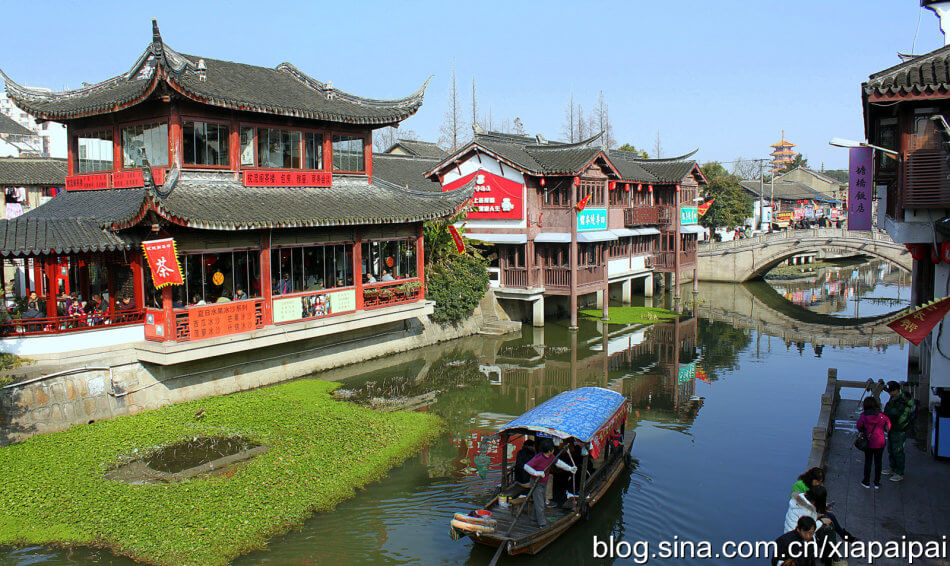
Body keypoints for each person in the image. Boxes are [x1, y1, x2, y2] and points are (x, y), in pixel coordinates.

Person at [523, 438, 576, 527]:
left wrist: (570, 468)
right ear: (550, 450)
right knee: (540, 504)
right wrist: (536, 473)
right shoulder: (538, 457)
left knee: (540, 500)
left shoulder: (551, 457)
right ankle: (542, 524)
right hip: (536, 483)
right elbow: (526, 466)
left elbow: (558, 463)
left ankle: (533, 518)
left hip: (544, 482)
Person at [883, 380, 914, 482]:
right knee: (891, 449)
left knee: (898, 450)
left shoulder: (903, 400)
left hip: (899, 428)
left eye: (891, 391)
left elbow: (895, 414)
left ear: (897, 390)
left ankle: (899, 472)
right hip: (892, 427)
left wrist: (886, 414)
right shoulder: (895, 398)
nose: (889, 393)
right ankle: (893, 468)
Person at [856, 396, 890, 489]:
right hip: (880, 442)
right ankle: (877, 483)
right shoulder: (882, 416)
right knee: (878, 462)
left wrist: (864, 430)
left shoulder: (863, 416)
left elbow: (859, 426)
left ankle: (866, 481)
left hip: (869, 442)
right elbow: (888, 427)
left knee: (868, 462)